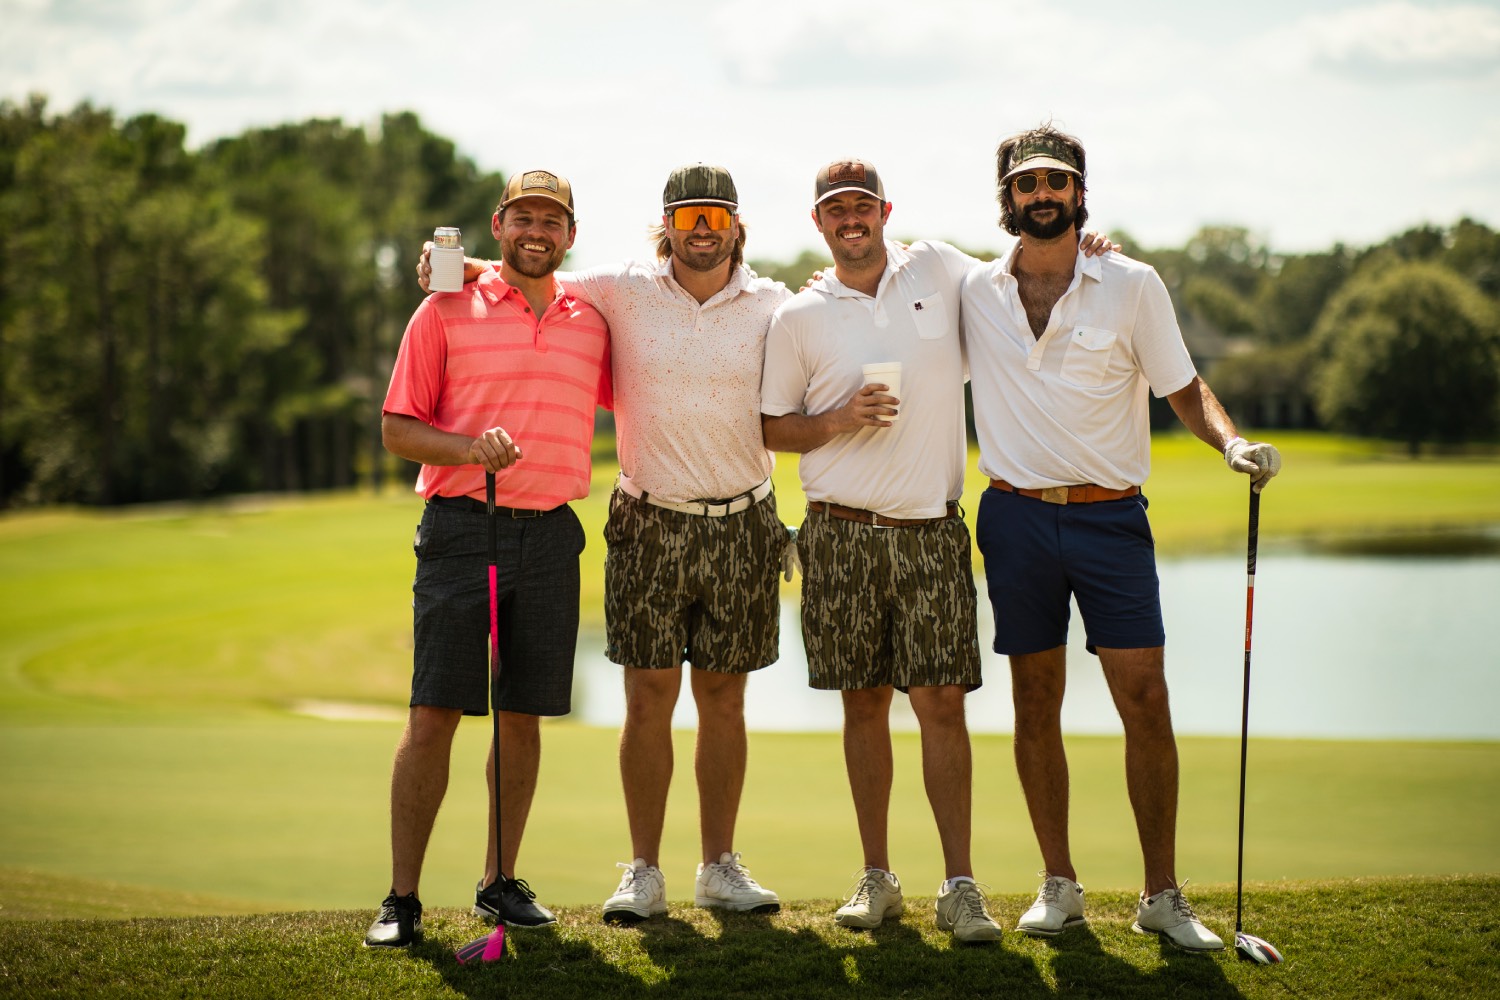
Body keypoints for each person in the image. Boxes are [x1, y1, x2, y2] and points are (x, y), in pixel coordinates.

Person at [418, 164, 789, 923]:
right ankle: (644, 871)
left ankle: (718, 866)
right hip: (647, 518)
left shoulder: (776, 303)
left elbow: (844, 309)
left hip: (744, 520)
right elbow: (531, 274)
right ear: (667, 224)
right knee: (646, 698)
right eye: (688, 217)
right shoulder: (619, 288)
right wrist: (459, 267)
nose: (703, 228)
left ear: (736, 223)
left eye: (715, 215)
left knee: (725, 699)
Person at [960, 124, 1282, 951]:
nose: (1043, 195)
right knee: (1035, 701)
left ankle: (1162, 895)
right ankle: (1059, 886)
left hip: (1111, 518)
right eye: (1028, 184)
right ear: (1007, 198)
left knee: (1145, 698)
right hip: (1016, 516)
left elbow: (1183, 385)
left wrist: (1232, 443)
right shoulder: (970, 290)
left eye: (1057, 183)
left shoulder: (1132, 283)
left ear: (1079, 193)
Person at [364, 169, 612, 948]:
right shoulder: (442, 310)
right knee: (435, 710)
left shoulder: (591, 319)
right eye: (523, 217)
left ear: (570, 235)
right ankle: (402, 900)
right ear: (498, 224)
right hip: (462, 529)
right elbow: (398, 429)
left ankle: (498, 883)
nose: (538, 231)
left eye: (553, 220)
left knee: (524, 714)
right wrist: (470, 448)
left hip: (551, 533)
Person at [759, 159, 1004, 943]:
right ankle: (877, 877)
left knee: (941, 706)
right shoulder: (798, 316)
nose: (851, 218)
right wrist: (836, 419)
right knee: (862, 703)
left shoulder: (935, 266)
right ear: (819, 223)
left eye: (863, 205)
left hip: (931, 531)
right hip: (838, 533)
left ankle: (961, 886)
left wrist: (1089, 245)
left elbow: (1018, 270)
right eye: (837, 209)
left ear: (884, 210)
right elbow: (770, 428)